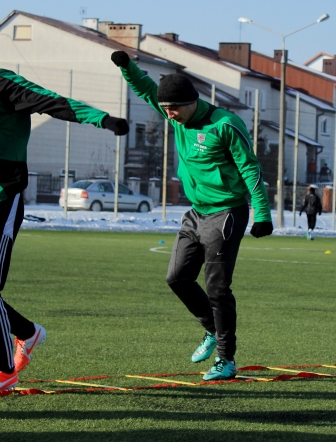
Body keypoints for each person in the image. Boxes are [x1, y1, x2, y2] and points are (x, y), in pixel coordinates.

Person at [0, 32, 129, 395]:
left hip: (0, 198)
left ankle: (4, 373)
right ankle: (29, 333)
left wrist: (102, 120)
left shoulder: (2, 86)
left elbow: (52, 102)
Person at [112, 51, 272, 381]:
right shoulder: (174, 113)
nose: (169, 115)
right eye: (165, 109)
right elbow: (145, 88)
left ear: (192, 102)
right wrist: (127, 66)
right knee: (177, 278)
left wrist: (263, 214)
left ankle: (226, 360)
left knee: (217, 288)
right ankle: (212, 329)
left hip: (226, 212)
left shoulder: (225, 124)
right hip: (196, 213)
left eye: (174, 109)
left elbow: (251, 168)